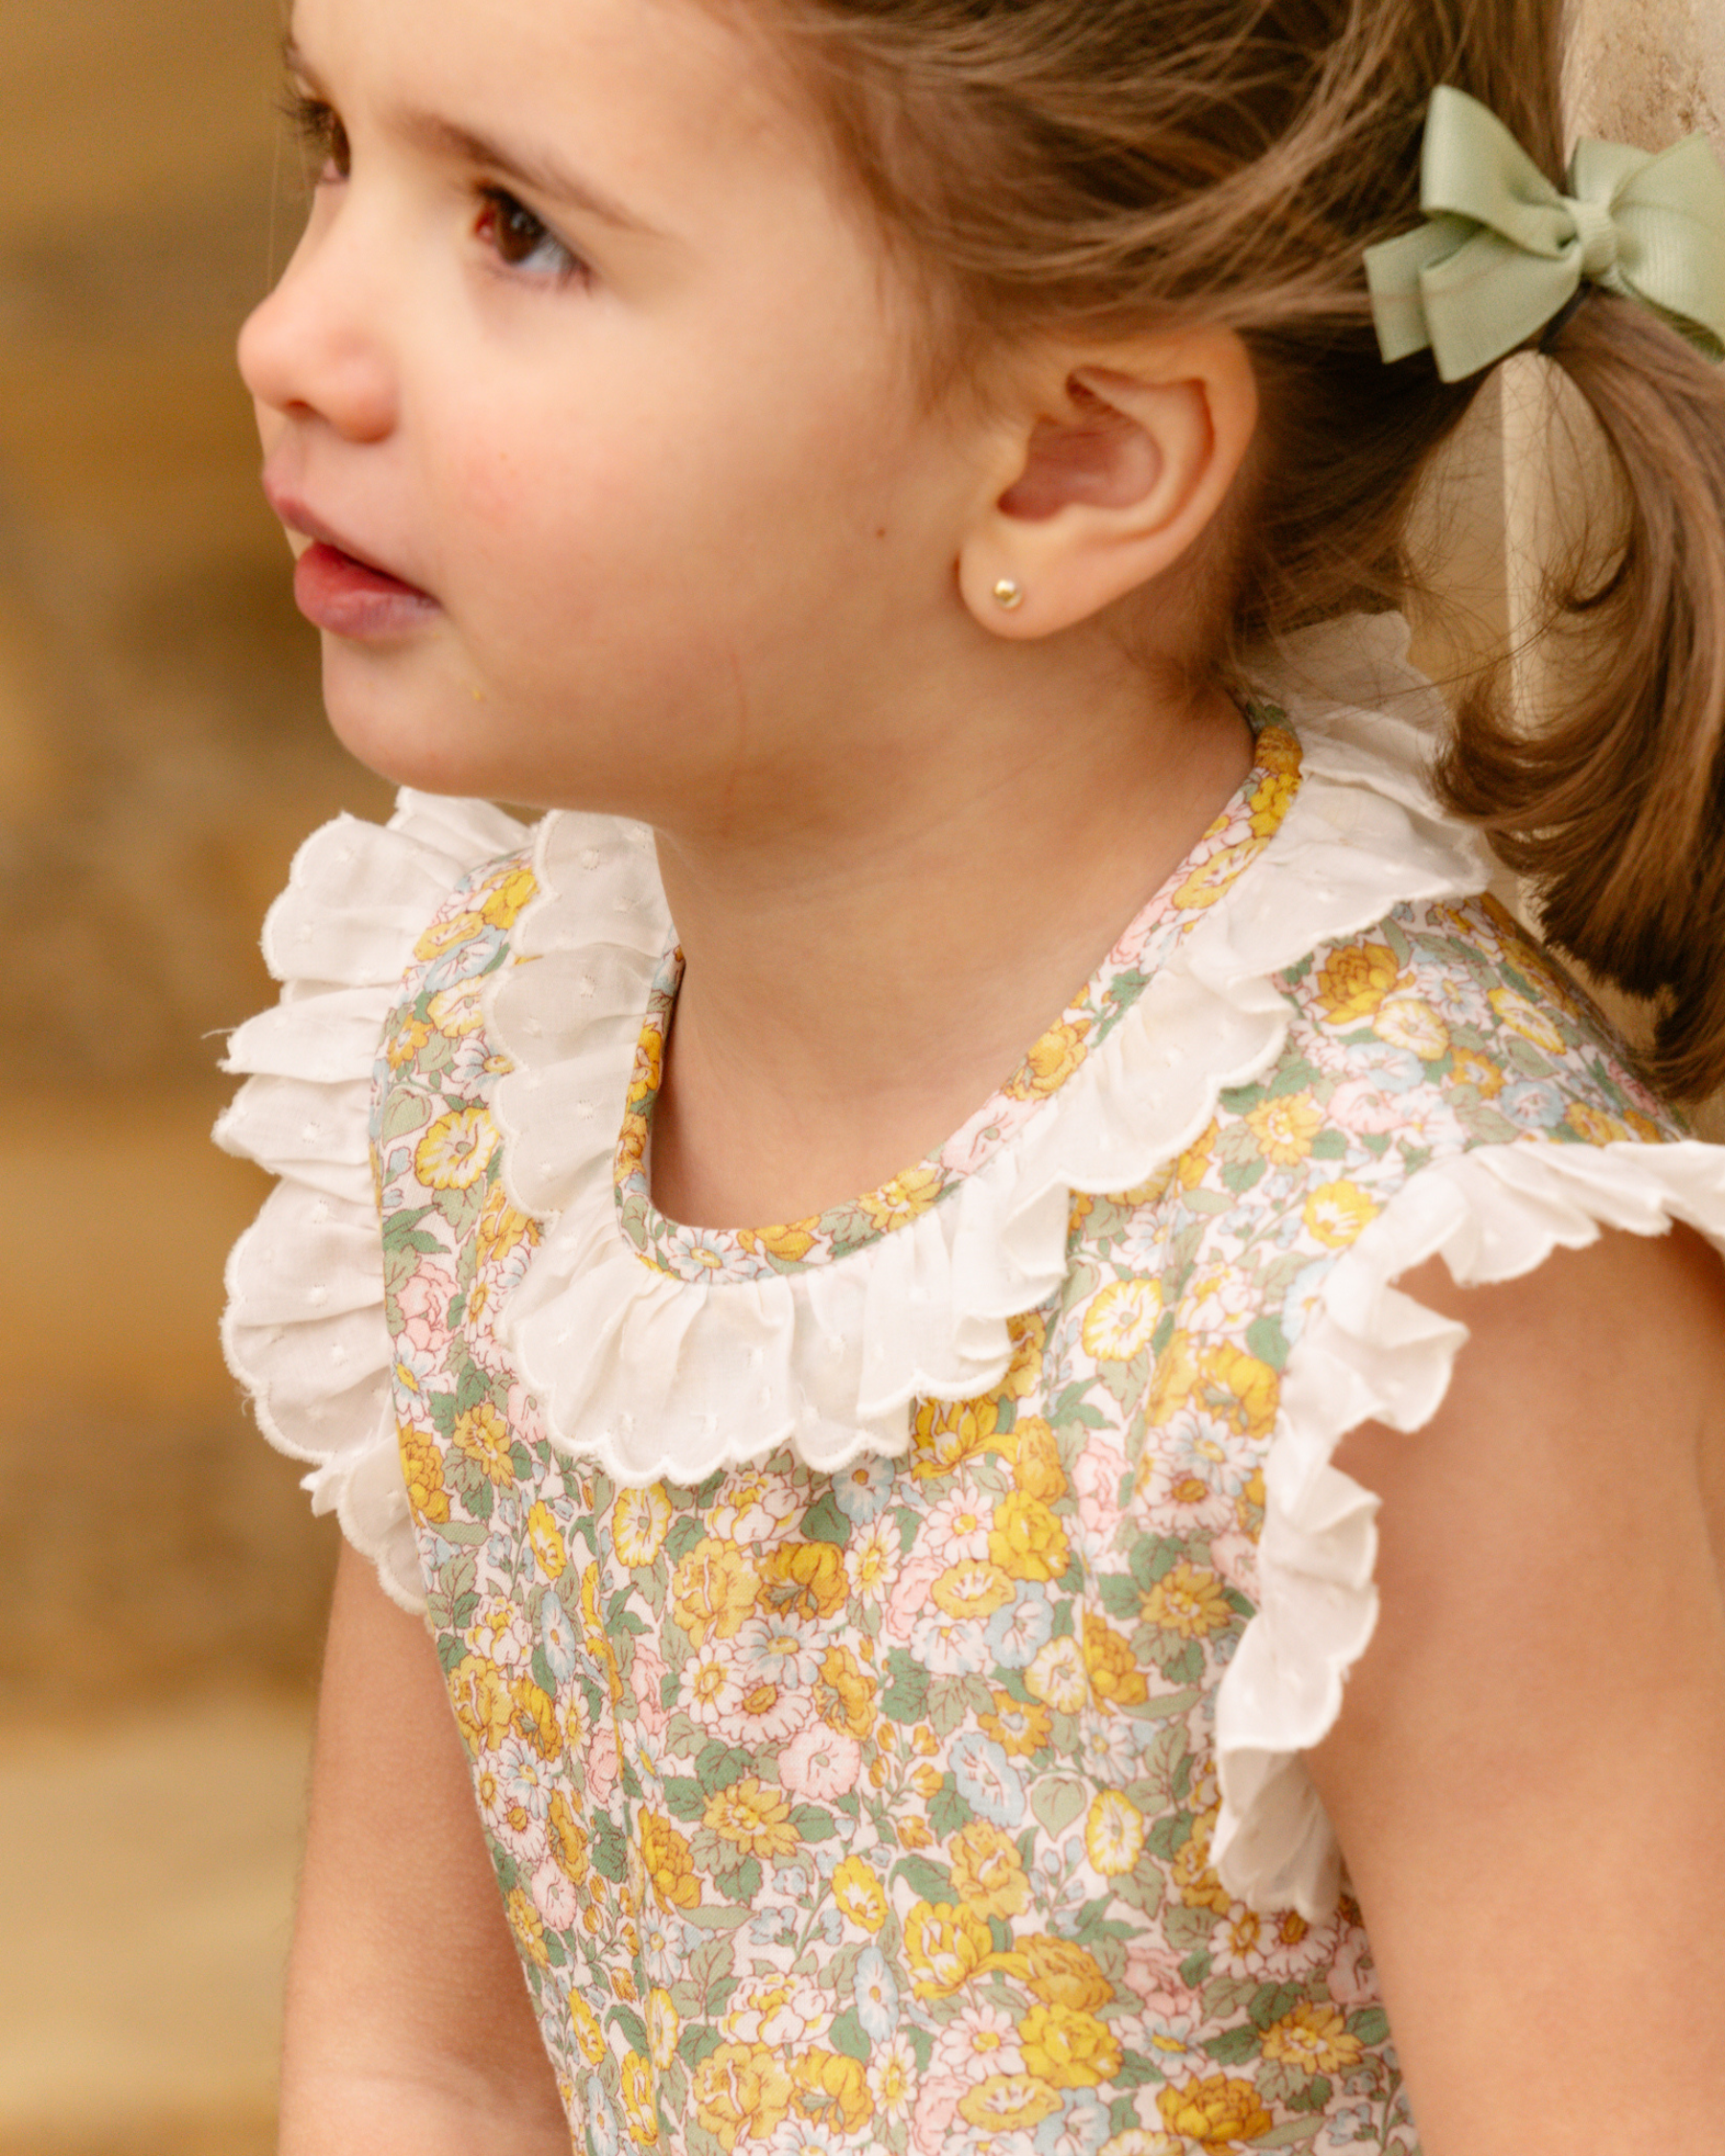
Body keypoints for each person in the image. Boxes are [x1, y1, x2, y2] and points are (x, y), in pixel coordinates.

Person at [217, 0, 1725, 2147]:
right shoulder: (490, 1063)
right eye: (331, 142)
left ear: (1069, 462)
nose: (290, 340)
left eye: (519, 229)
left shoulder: (1401, 1303)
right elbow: (427, 2066)